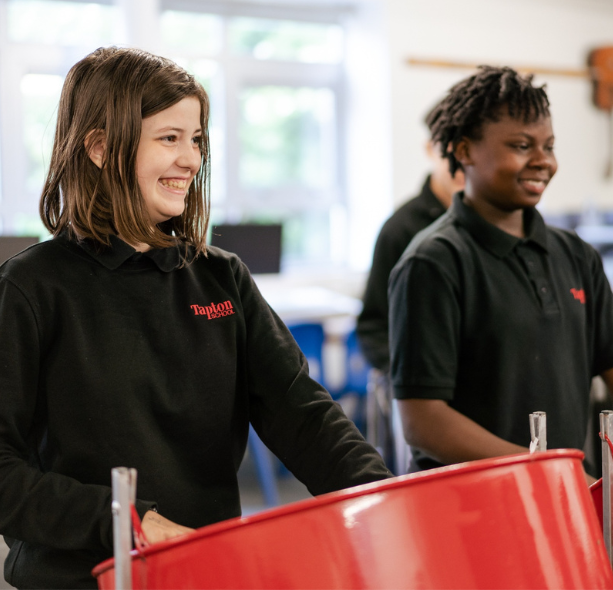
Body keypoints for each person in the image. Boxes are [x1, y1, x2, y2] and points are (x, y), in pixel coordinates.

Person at [0, 46, 392, 590]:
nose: (192, 159)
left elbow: (303, 415)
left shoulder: (221, 277)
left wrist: (386, 498)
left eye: (197, 139)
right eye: (169, 138)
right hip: (79, 577)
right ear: (98, 147)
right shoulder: (32, 287)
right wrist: (132, 522)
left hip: (206, 572)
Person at [388, 65, 613, 478]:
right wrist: (543, 469)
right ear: (463, 151)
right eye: (522, 145)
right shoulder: (433, 263)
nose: (543, 161)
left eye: (549, 145)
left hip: (560, 492)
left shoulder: (576, 255)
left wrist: (556, 475)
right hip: (471, 502)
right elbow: (422, 421)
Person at [357, 138, 465, 372]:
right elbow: (373, 327)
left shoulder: (495, 224)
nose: (461, 163)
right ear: (430, 148)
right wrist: (411, 380)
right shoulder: (399, 229)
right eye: (452, 151)